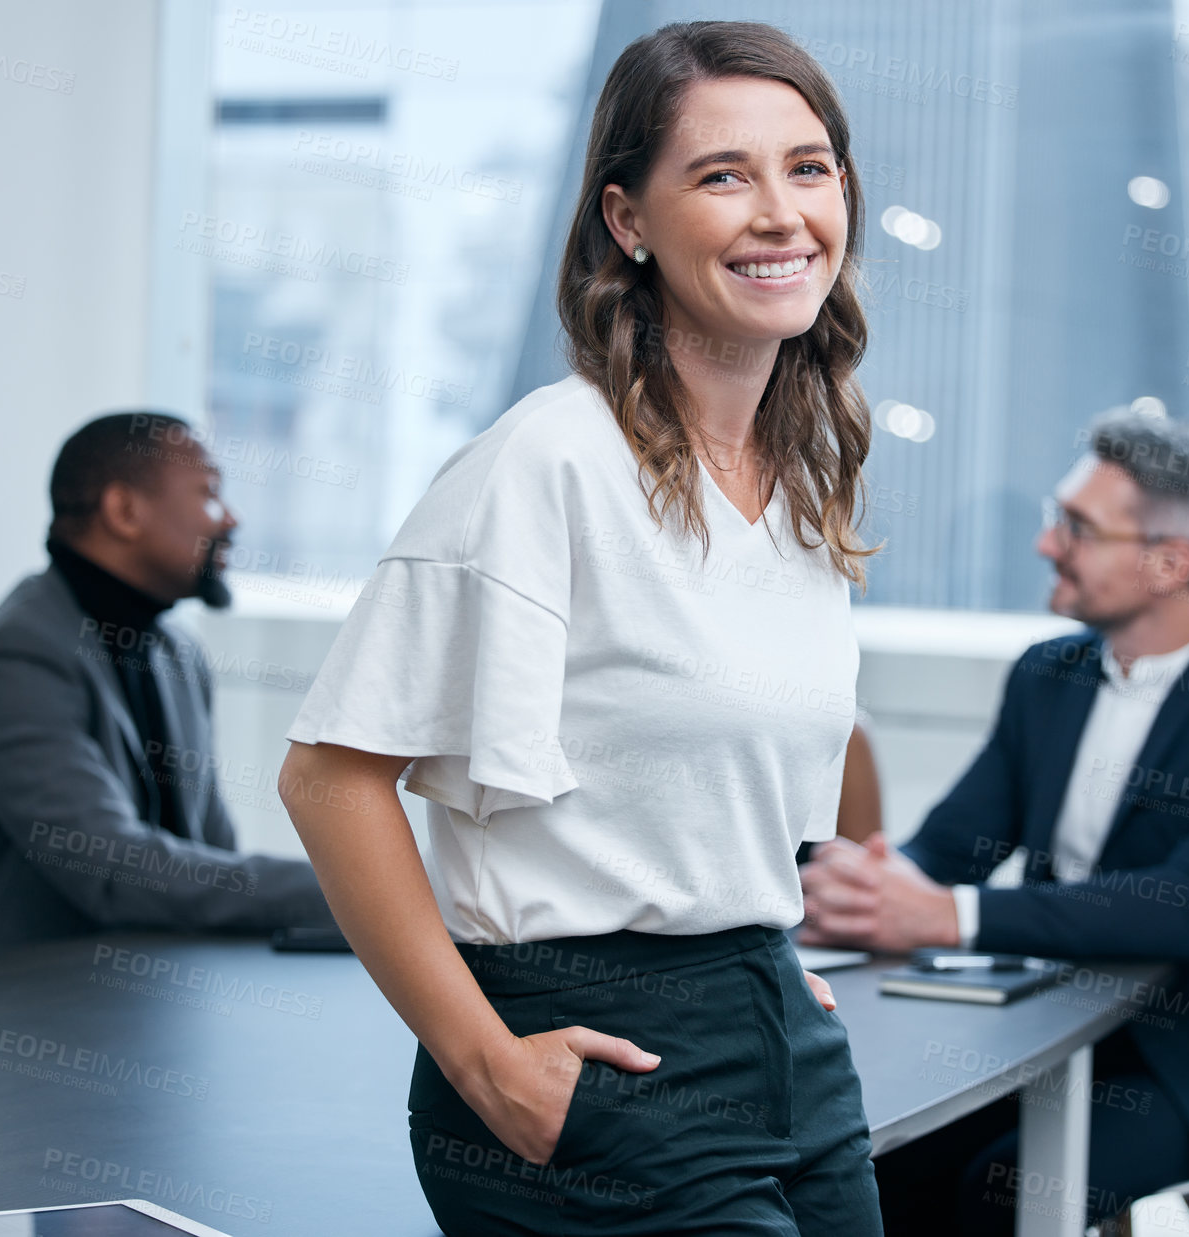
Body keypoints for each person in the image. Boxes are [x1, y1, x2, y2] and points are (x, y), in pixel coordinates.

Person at [279, 20, 885, 1235]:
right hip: (586, 1051)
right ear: (627, 221)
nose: (780, 213)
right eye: (723, 175)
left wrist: (743, 952)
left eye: (807, 167)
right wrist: (481, 1060)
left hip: (771, 1025)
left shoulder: (803, 475)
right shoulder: (543, 463)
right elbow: (330, 779)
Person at [799, 411, 1189, 1234]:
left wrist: (947, 914)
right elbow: (955, 845)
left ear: (1168, 563)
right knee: (873, 1156)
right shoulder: (1047, 674)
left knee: (1004, 1186)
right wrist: (880, 879)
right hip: (1044, 1018)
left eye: (1077, 527)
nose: (1045, 543)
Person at [0, 413, 333, 960]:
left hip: (134, 988)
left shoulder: (177, 654)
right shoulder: (15, 662)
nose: (231, 519)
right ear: (124, 511)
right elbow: (116, 873)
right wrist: (357, 896)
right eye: (210, 494)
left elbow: (210, 854)